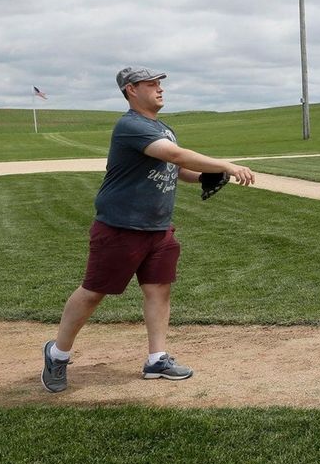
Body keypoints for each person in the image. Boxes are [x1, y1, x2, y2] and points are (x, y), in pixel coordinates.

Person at [41, 67, 256, 393]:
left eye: (160, 84)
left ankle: (157, 359)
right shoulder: (131, 125)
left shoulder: (160, 128)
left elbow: (176, 166)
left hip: (158, 227)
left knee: (159, 289)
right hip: (120, 226)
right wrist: (225, 165)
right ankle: (57, 355)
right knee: (93, 292)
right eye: (151, 84)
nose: (160, 89)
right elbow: (174, 154)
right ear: (131, 90)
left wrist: (203, 177)